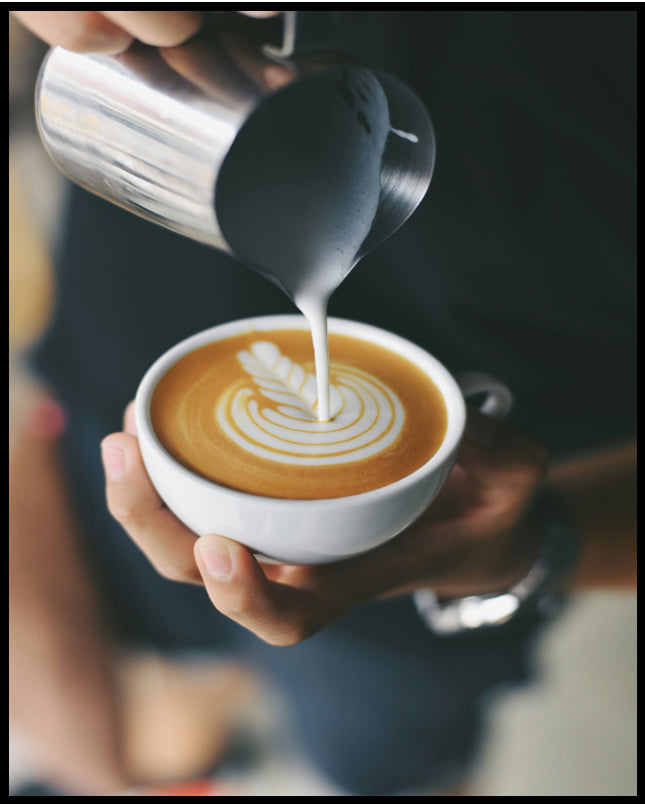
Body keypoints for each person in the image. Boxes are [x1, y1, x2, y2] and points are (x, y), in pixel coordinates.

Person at [9, 9, 636, 797]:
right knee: (152, 655)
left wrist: (537, 543)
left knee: (369, 766)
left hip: (410, 586)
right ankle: (195, 726)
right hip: (100, 412)